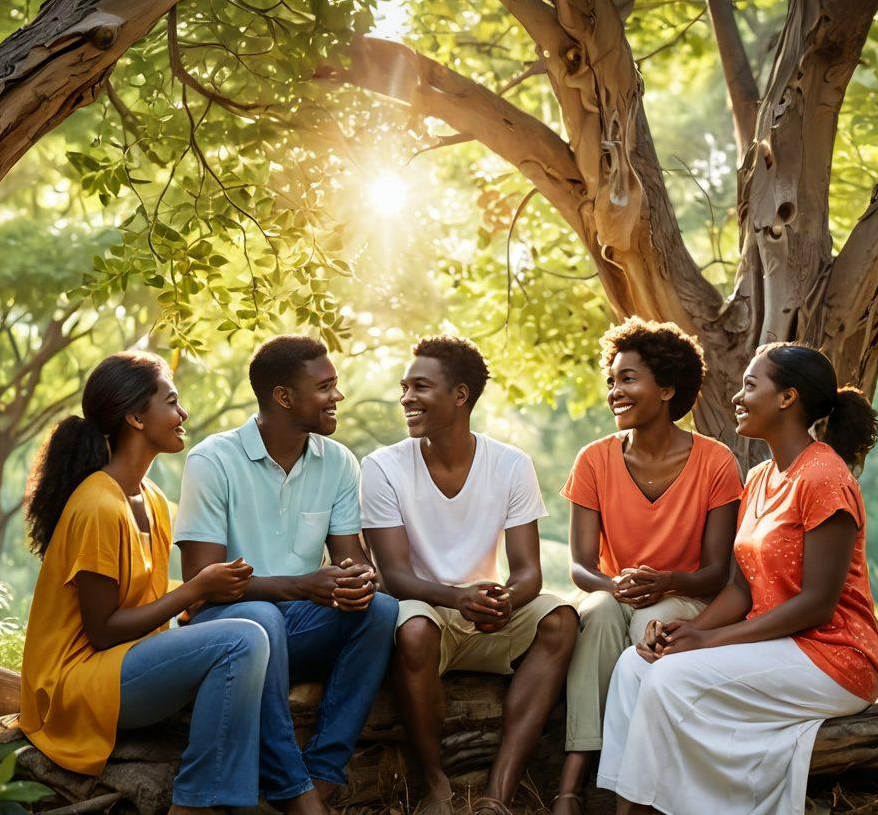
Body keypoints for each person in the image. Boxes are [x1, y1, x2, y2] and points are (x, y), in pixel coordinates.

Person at [597, 343, 878, 815]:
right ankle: (630, 803)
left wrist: (712, 642)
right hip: (775, 646)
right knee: (636, 666)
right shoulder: (759, 478)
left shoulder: (825, 478)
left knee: (668, 678)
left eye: (751, 385)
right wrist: (692, 630)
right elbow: (742, 587)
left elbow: (817, 605)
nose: (737, 395)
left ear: (787, 398)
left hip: (833, 657)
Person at [20, 352, 268, 815]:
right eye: (171, 402)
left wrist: (204, 598)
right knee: (241, 640)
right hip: (77, 686)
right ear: (135, 418)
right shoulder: (98, 505)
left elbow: (146, 596)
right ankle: (195, 804)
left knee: (253, 618)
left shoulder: (150, 498)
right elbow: (102, 630)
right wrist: (195, 590)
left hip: (124, 666)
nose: (183, 414)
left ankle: (266, 781)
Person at [174, 335, 398, 815]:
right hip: (226, 633)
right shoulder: (213, 461)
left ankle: (323, 774)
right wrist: (300, 586)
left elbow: (347, 558)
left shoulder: (338, 462)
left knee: (380, 610)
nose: (337, 396)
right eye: (326, 387)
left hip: (300, 627)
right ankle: (294, 791)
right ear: (284, 397)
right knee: (261, 618)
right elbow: (199, 579)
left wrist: (357, 580)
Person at [362, 336, 579, 815]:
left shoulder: (510, 464)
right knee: (415, 626)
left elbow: (528, 574)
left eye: (420, 386)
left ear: (460, 396)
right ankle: (436, 785)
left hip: (482, 612)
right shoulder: (382, 467)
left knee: (560, 617)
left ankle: (497, 794)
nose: (406, 398)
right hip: (422, 612)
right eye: (404, 387)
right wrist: (457, 597)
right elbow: (394, 575)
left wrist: (501, 599)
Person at [554, 318, 743, 815]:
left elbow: (718, 571)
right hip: (615, 591)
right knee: (592, 613)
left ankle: (632, 790)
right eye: (612, 379)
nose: (615, 390)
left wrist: (668, 581)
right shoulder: (594, 459)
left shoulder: (716, 461)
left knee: (649, 626)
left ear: (667, 389)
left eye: (629, 378)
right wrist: (613, 585)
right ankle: (573, 779)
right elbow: (580, 566)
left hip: (685, 594)